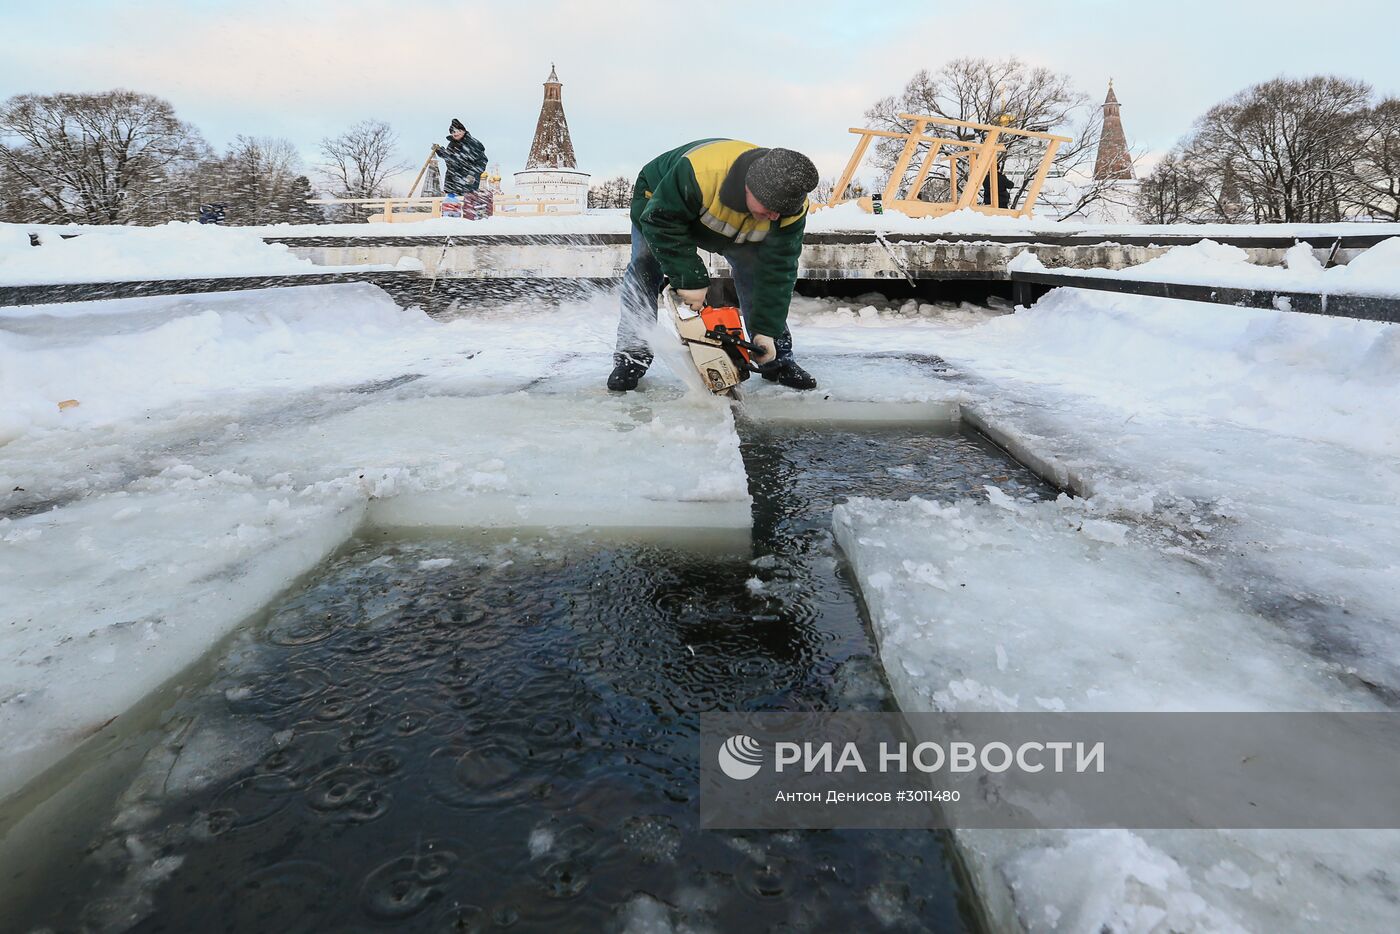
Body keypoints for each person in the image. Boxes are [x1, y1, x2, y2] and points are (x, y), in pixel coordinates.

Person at [608, 139, 820, 392]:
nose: (776, 216)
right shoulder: (700, 172)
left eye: (783, 211)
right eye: (772, 208)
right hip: (661, 202)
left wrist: (767, 330)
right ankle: (632, 357)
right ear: (751, 188)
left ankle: (779, 358)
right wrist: (688, 278)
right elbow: (662, 223)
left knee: (757, 270)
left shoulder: (789, 208)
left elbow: (778, 270)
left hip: (729, 217)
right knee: (644, 265)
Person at [434, 118, 490, 217]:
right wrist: (441, 151)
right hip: (453, 178)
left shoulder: (473, 143)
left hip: (468, 176)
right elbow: (451, 159)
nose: (455, 134)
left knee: (469, 201)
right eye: (453, 132)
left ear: (463, 131)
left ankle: (471, 221)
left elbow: (482, 161)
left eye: (458, 131)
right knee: (451, 201)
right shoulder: (452, 145)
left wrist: (473, 174)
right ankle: (451, 219)